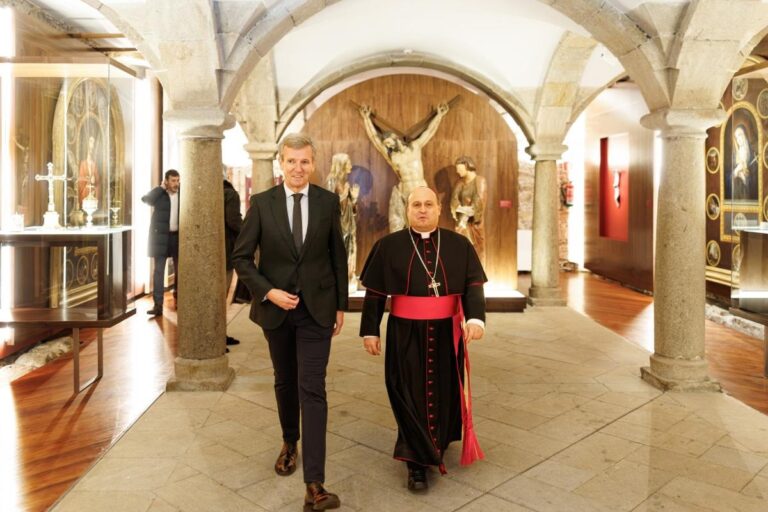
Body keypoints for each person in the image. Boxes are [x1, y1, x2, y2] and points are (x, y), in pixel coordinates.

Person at [232, 133, 347, 510]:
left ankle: (314, 482)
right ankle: (289, 441)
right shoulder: (262, 204)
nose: (298, 169)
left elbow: (338, 256)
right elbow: (243, 258)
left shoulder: (329, 202)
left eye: (305, 162)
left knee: (312, 388)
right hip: (276, 310)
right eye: (292, 161)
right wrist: (268, 292)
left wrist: (341, 305)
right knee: (285, 380)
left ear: (314, 164)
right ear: (282, 163)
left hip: (318, 309)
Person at [359, 186, 487, 492]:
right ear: (407, 209)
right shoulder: (389, 246)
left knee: (443, 389)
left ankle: (436, 442)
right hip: (405, 330)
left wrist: (475, 318)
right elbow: (375, 293)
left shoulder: (459, 244)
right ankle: (416, 462)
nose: (422, 209)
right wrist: (370, 330)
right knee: (406, 390)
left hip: (447, 330)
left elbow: (472, 285)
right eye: (416, 204)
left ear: (440, 208)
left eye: (429, 204)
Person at [359, 102, 450, 231]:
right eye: (387, 145)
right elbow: (375, 139)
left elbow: (429, 132)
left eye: (389, 143)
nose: (388, 146)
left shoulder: (415, 147)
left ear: (394, 138)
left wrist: (439, 115)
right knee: (404, 225)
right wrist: (366, 118)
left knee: (424, 223)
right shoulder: (393, 157)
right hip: (405, 190)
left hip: (421, 187)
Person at [141, 169, 180, 316]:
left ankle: (179, 300)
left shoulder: (182, 194)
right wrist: (161, 188)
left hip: (177, 237)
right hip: (161, 237)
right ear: (166, 181)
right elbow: (146, 200)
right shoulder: (160, 194)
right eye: (173, 181)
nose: (176, 184)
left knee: (180, 270)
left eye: (177, 180)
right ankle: (158, 305)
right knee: (158, 271)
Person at [325, 153, 360, 292]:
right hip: (337, 224)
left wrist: (354, 198)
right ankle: (339, 280)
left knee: (351, 250)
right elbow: (328, 204)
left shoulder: (345, 182)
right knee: (339, 251)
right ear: (341, 164)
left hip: (349, 223)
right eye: (348, 163)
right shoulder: (331, 180)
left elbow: (351, 207)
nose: (350, 166)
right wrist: (345, 194)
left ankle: (349, 277)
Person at [449, 156, 487, 265]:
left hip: (474, 223)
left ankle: (477, 277)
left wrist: (465, 211)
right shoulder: (460, 183)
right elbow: (453, 201)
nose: (457, 171)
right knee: (461, 250)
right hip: (461, 223)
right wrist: (461, 211)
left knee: (476, 249)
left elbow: (479, 202)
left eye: (459, 169)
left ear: (467, 166)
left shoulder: (480, 181)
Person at [223, 177, 243, 346]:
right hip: (225, 249)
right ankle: (218, 336)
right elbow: (233, 220)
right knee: (221, 295)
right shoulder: (230, 194)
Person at [77, 135, 100, 205]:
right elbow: (80, 180)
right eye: (91, 141)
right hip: (85, 194)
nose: (92, 144)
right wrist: (88, 180)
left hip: (93, 194)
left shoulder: (94, 165)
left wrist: (94, 180)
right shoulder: (83, 164)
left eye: (93, 142)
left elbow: (98, 181)